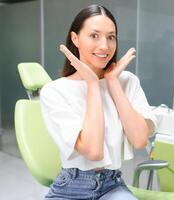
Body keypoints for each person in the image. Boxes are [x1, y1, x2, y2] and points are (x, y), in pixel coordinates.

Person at [40, 4, 156, 200]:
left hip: (112, 186)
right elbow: (93, 151)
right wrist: (93, 85)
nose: (105, 46)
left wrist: (112, 82)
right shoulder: (54, 91)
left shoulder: (127, 81)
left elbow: (139, 139)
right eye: (94, 36)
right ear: (75, 38)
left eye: (111, 37)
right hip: (70, 187)